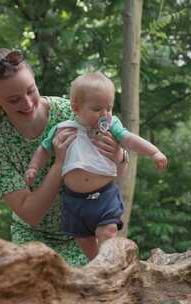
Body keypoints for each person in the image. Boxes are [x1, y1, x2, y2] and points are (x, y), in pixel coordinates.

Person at [0, 48, 127, 267]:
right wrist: (59, 164)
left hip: (87, 234)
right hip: (34, 240)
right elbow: (31, 213)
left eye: (31, 91)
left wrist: (119, 156)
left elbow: (116, 173)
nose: (27, 103)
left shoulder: (71, 112)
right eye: (14, 100)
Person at [24, 72, 167, 260]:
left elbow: (130, 139)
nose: (105, 114)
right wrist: (33, 168)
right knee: (83, 239)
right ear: (76, 107)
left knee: (107, 232)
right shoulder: (63, 128)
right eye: (97, 108)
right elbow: (44, 149)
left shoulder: (111, 127)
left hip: (104, 195)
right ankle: (96, 266)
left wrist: (153, 152)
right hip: (74, 200)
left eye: (109, 108)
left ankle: (109, 262)